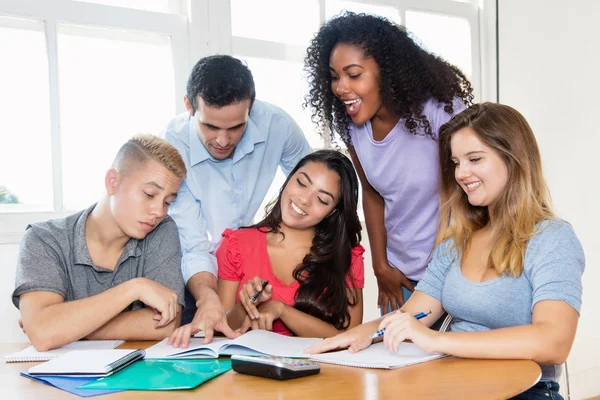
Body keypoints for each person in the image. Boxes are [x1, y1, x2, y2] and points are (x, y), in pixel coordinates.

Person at [305, 103, 585, 400]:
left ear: (513, 159)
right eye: (456, 162)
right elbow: (414, 314)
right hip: (454, 382)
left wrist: (437, 340)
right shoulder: (457, 241)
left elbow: (554, 342)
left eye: (474, 159)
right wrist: (358, 335)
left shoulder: (552, 238)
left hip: (524, 389)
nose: (462, 173)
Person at [304, 12, 474, 314]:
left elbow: (465, 191)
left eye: (354, 75)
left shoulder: (438, 111)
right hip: (400, 278)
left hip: (455, 270)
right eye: (334, 76)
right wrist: (380, 266)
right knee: (397, 358)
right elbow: (371, 193)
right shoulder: (351, 125)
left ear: (388, 72)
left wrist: (440, 270)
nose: (341, 87)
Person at [164, 55, 311, 347]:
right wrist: (209, 298)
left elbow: (312, 186)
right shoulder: (171, 145)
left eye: (235, 128)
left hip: (256, 276)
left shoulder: (278, 126)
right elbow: (192, 244)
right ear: (189, 106)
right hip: (198, 275)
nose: (222, 140)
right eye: (210, 126)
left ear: (251, 110)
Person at [13, 135, 188, 351]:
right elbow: (43, 333)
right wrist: (134, 288)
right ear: (112, 182)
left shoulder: (162, 230)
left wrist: (68, 328)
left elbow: (166, 324)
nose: (158, 211)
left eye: (167, 202)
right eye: (149, 194)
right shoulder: (43, 238)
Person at [216, 150, 364, 337]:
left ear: (333, 212)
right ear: (288, 179)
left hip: (318, 365)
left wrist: (281, 310)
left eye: (322, 199)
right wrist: (248, 304)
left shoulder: (347, 256)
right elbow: (220, 331)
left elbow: (352, 334)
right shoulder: (236, 244)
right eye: (301, 183)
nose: (304, 200)